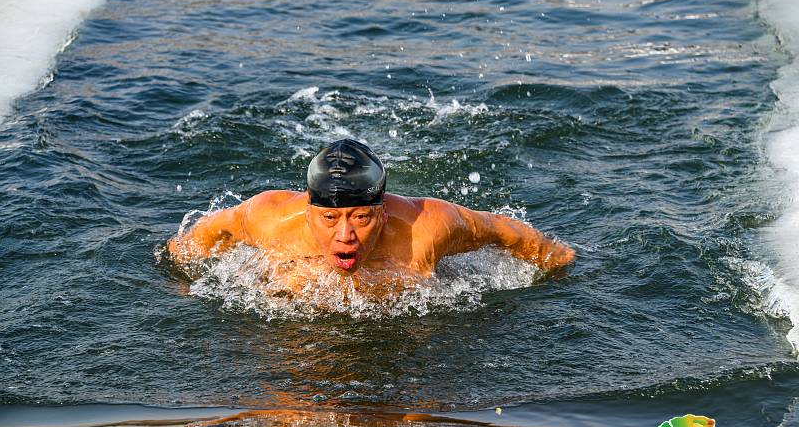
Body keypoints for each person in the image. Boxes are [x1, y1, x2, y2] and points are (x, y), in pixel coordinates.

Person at [167, 139, 575, 284]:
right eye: (330, 218)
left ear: (381, 212)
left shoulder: (427, 228)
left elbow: (500, 230)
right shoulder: (269, 218)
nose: (345, 234)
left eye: (360, 217)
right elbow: (203, 237)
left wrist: (556, 262)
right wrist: (182, 273)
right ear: (309, 211)